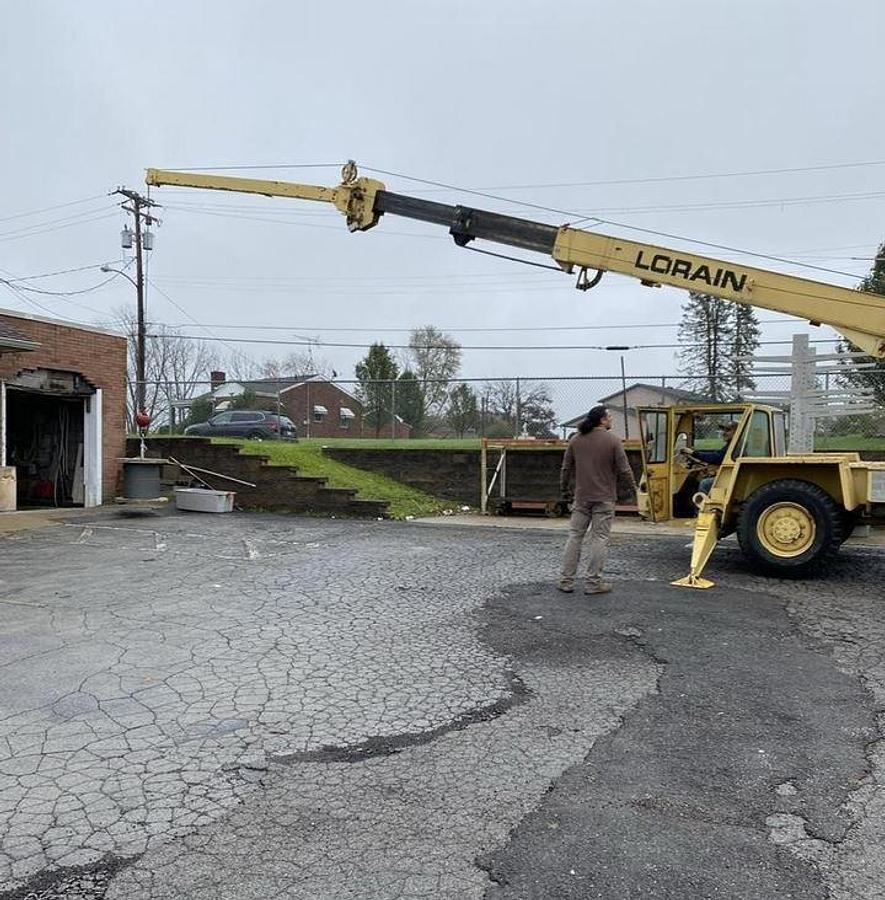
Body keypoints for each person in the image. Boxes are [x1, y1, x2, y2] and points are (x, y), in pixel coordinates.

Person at [558, 405, 637, 595]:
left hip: (582, 496)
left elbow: (566, 469)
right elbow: (624, 470)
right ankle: (593, 583)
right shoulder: (613, 441)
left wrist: (564, 489)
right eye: (609, 416)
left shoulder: (576, 440)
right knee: (599, 538)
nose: (612, 419)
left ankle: (566, 581)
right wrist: (634, 488)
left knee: (575, 536)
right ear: (602, 420)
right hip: (604, 498)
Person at [683, 420, 738, 496]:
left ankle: (702, 506)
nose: (724, 433)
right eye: (723, 430)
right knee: (695, 480)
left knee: (704, 484)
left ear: (737, 432)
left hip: (732, 477)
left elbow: (716, 457)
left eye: (728, 430)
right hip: (729, 474)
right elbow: (717, 456)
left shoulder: (735, 446)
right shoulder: (731, 445)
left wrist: (694, 453)